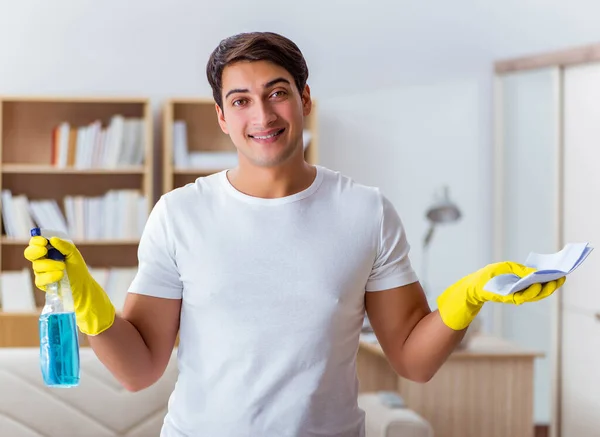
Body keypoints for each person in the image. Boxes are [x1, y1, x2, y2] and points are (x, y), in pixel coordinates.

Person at [24, 31, 566, 437]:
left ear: (305, 99)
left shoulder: (365, 211)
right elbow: (140, 370)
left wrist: (468, 295)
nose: (262, 114)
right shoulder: (180, 214)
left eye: (276, 93)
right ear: (221, 116)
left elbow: (412, 360)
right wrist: (83, 295)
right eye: (240, 100)